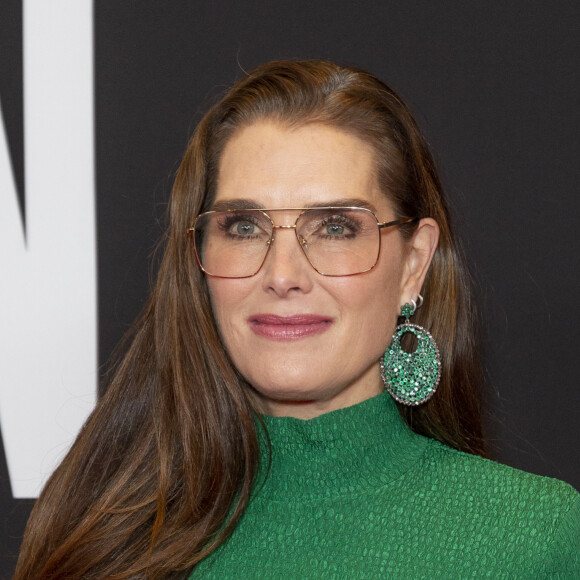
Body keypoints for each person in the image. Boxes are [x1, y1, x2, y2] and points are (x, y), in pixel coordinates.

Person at [15, 60, 579, 579]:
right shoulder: (97, 531)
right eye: (243, 227)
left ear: (413, 265)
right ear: (200, 258)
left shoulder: (530, 538)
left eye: (334, 227)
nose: (282, 274)